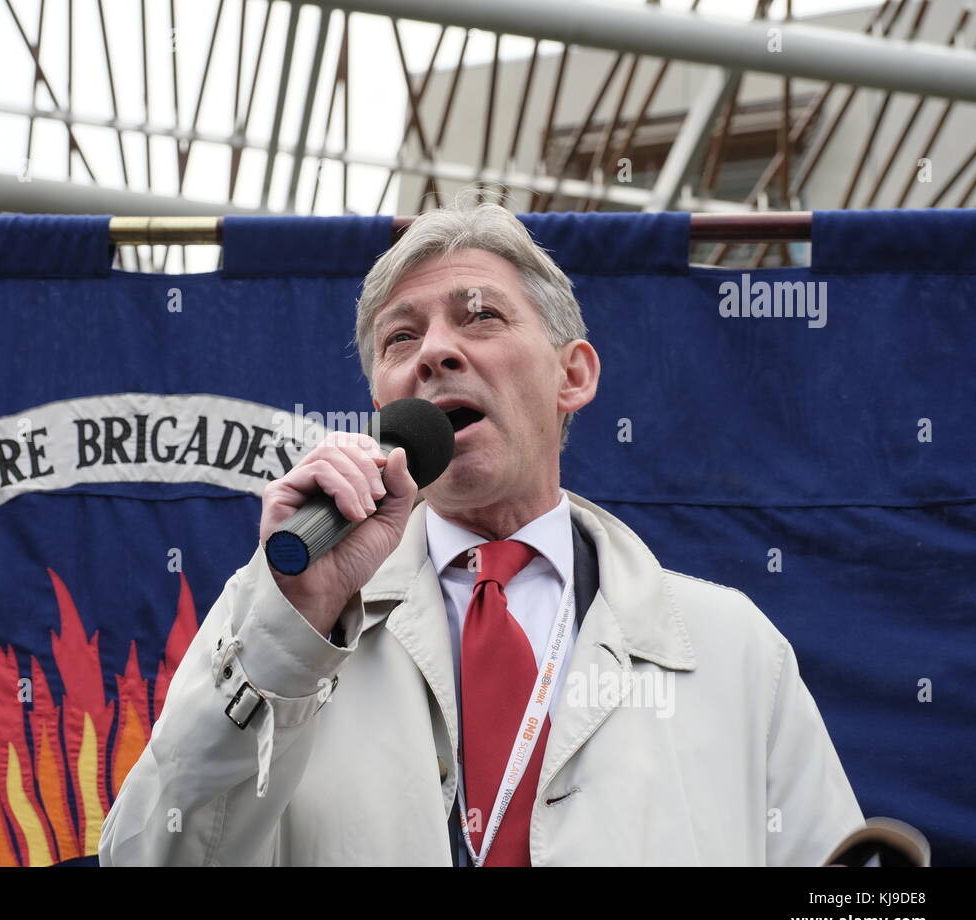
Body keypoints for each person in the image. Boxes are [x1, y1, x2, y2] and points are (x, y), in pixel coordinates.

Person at [99, 192, 865, 866]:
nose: (434, 351)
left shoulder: (732, 648)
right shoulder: (275, 614)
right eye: (401, 339)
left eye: (481, 316)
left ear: (574, 376)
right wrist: (288, 636)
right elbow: (151, 856)